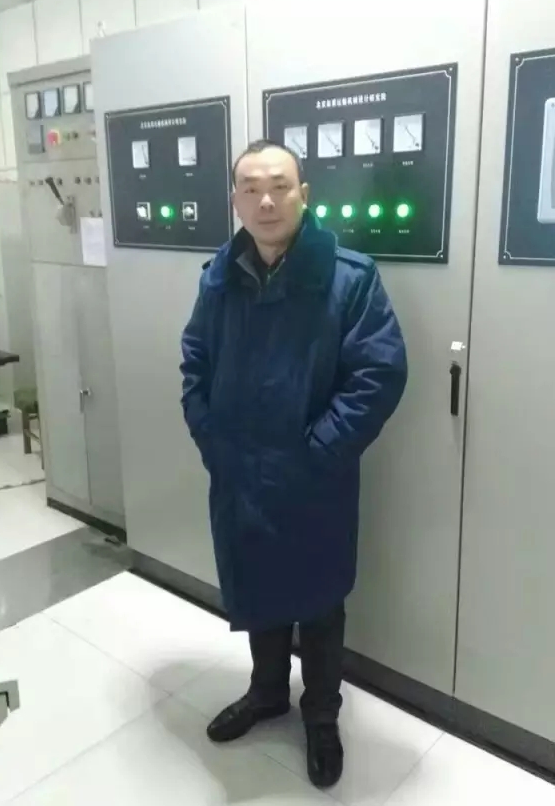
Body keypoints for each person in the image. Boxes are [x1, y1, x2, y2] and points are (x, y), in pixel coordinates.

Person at [180, 140, 407, 789]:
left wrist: (320, 450)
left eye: (279, 186)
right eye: (251, 188)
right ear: (235, 200)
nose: (266, 201)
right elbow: (195, 361)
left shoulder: (349, 278)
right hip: (240, 472)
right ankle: (267, 692)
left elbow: (378, 375)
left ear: (304, 195)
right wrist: (212, 439)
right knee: (258, 584)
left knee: (320, 599)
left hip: (313, 477)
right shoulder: (219, 276)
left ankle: (322, 713)